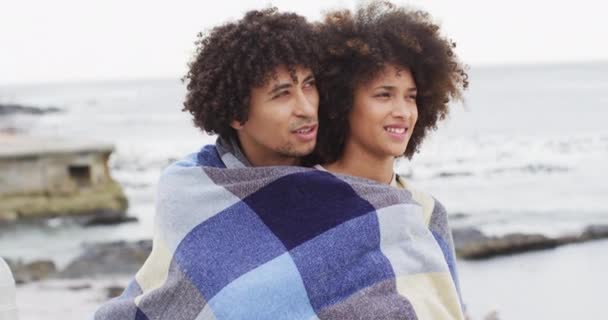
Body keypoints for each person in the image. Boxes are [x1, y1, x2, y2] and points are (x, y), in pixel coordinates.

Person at [308, 2, 469, 319]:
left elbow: (452, 308)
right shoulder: (302, 198)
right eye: (384, 94)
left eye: (410, 96)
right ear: (341, 103)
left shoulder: (426, 211)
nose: (403, 111)